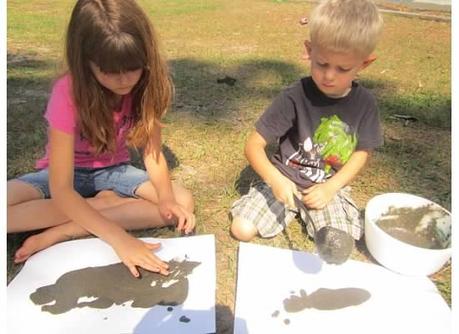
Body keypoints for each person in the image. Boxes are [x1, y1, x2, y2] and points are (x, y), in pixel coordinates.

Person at [7, 0, 196, 278]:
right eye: (109, 70)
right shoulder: (67, 92)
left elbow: (152, 153)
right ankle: (100, 207)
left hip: (114, 172)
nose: (124, 80)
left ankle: (66, 229)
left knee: (182, 202)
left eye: (133, 67)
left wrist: (166, 198)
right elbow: (61, 188)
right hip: (63, 177)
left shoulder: (148, 85)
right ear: (86, 62)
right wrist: (120, 239)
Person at [230, 0, 384, 264]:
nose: (329, 76)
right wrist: (274, 179)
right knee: (241, 230)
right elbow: (253, 145)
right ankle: (285, 209)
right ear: (309, 50)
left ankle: (319, 214)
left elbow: (363, 152)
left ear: (365, 64)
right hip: (283, 181)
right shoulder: (294, 96)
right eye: (321, 63)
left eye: (343, 69)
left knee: (338, 244)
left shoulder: (364, 104)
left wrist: (332, 186)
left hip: (326, 187)